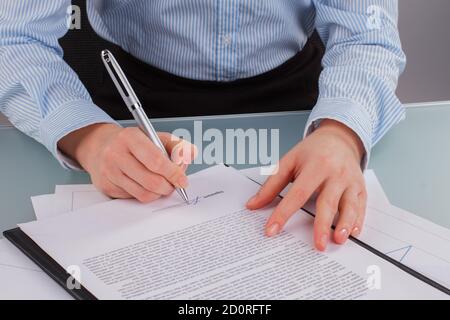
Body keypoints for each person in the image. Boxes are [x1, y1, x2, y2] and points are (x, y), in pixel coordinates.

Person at [0, 1, 406, 251]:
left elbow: (367, 35)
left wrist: (340, 132)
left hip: (298, 105)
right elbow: (14, 39)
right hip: (126, 105)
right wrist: (86, 136)